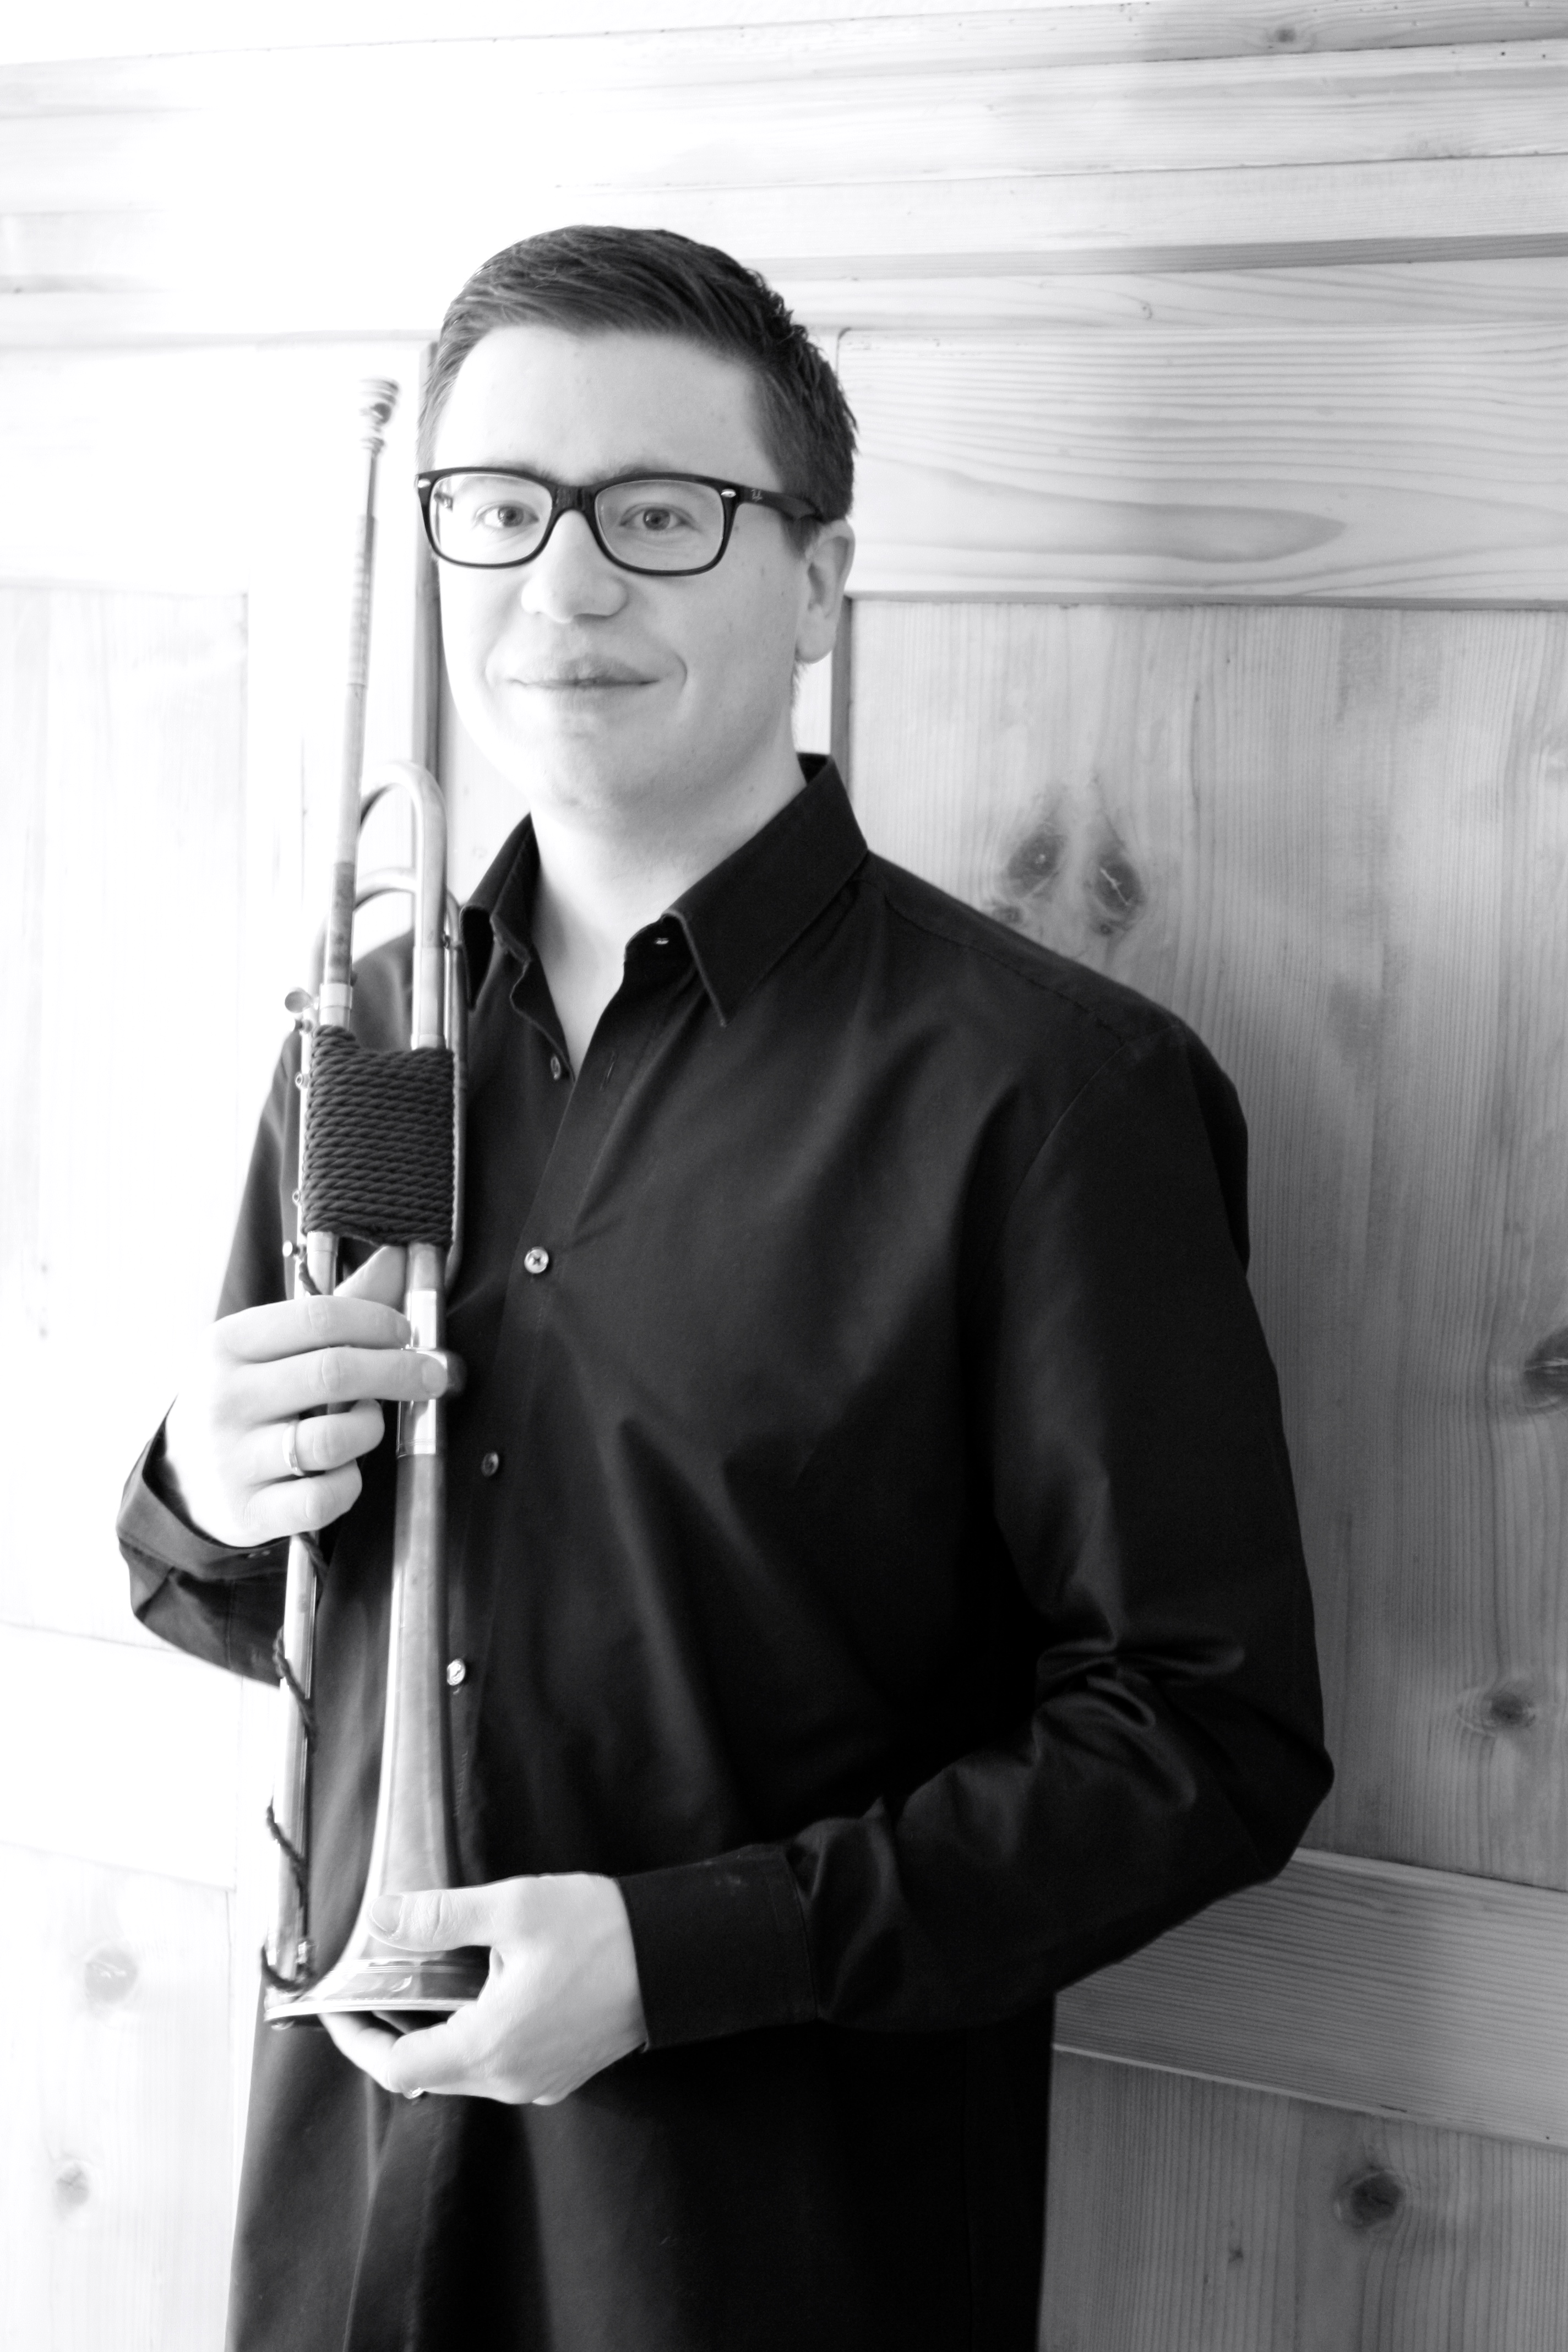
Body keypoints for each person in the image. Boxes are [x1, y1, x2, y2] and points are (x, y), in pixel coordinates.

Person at [117, 224, 1331, 2352]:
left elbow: (1202, 1739)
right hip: (348, 2209)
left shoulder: (1050, 1097)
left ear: (820, 582)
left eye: (660, 515)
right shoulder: (372, 1033)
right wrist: (202, 1497)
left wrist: (685, 1955)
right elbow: (271, 1603)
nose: (565, 587)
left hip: (761, 2248)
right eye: (498, 510)